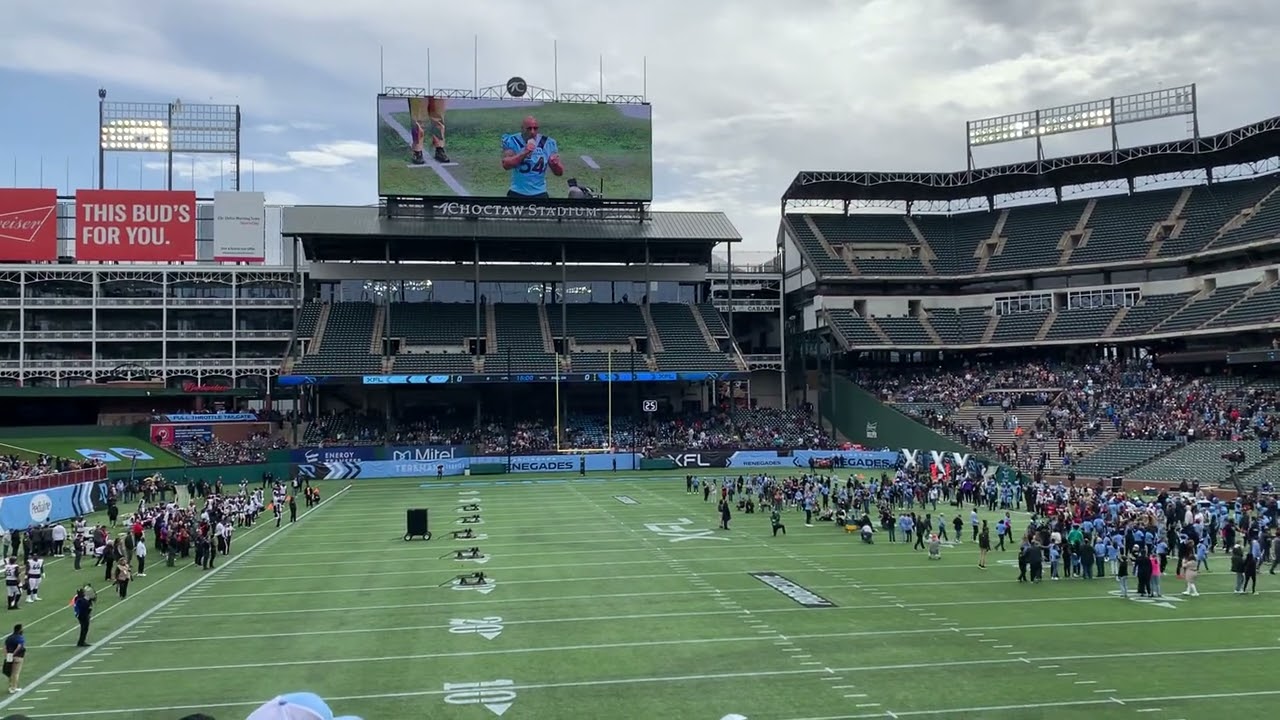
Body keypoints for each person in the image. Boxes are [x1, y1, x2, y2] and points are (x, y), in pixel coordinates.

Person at [500, 116, 564, 199]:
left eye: (535, 128)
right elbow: (506, 164)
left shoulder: (548, 143)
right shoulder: (512, 141)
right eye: (529, 129)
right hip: (517, 192)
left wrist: (555, 164)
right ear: (522, 129)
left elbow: (559, 173)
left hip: (540, 193)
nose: (532, 132)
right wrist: (525, 152)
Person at [408, 97, 450, 165]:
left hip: (438, 87)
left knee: (438, 116)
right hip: (418, 88)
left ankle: (439, 148)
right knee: (417, 118)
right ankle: (417, 150)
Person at [3, 623, 24, 694]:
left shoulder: (9, 637)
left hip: (9, 656)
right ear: (19, 630)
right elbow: (19, 646)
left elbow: (5, 647)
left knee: (10, 672)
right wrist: (14, 654)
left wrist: (7, 655)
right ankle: (14, 688)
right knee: (16, 673)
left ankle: (11, 687)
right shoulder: (20, 637)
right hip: (18, 657)